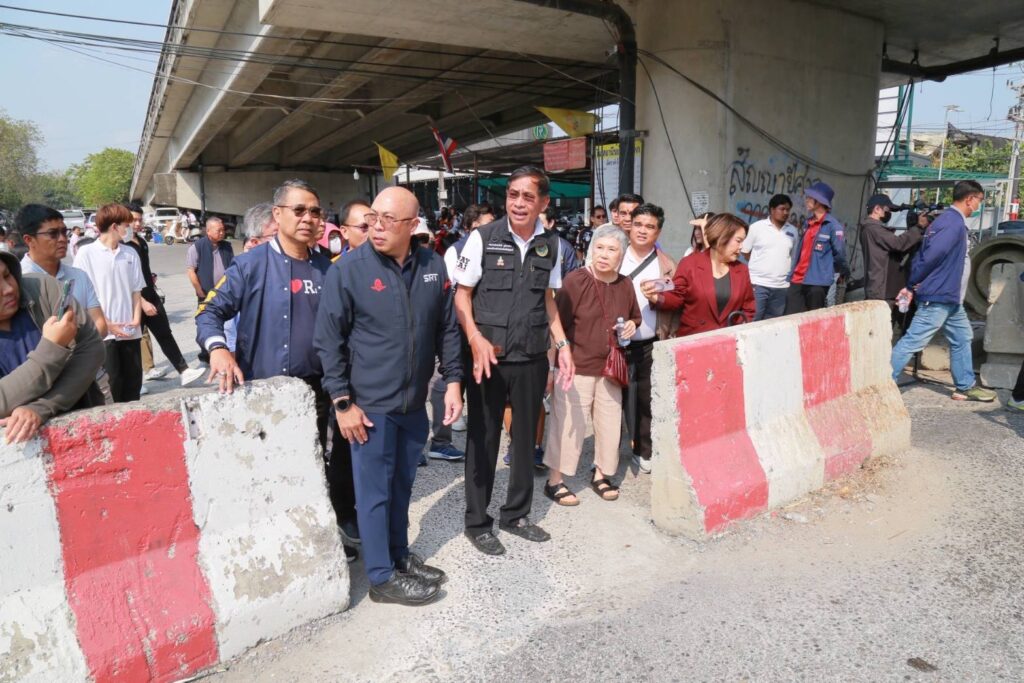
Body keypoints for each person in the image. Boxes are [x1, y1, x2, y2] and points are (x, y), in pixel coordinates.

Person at [195, 179, 360, 562]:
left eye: (315, 211)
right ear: (278, 214)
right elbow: (209, 311)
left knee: (314, 467)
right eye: (299, 210)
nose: (308, 218)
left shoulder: (328, 269)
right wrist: (218, 349)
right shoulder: (249, 265)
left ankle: (320, 542)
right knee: (266, 475)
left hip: (316, 392)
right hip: (262, 394)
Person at [315, 186, 462, 606]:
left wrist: (453, 380)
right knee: (374, 493)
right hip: (370, 407)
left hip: (413, 403)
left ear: (412, 226)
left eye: (388, 220)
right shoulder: (350, 270)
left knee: (401, 487)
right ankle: (381, 577)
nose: (376, 227)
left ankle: (398, 555)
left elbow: (447, 328)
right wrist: (343, 402)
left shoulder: (432, 265)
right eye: (372, 218)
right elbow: (328, 341)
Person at [453, 165, 574, 556]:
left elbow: (548, 300)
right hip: (488, 357)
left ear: (543, 202)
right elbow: (461, 296)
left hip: (531, 356)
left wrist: (562, 346)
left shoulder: (552, 244)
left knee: (525, 440)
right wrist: (475, 339)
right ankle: (477, 522)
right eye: (513, 195)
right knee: (484, 439)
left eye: (527, 196)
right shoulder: (482, 238)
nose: (518, 203)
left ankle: (516, 514)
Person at [543, 225, 640, 505]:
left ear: (622, 254)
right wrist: (552, 366)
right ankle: (555, 481)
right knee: (567, 424)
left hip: (611, 368)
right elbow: (556, 323)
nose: (604, 254)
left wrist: (632, 325)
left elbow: (634, 316)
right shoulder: (575, 280)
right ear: (591, 249)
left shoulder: (625, 284)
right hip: (576, 365)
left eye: (612, 249)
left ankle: (601, 474)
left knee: (609, 425)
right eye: (599, 247)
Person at [890, 180, 996, 402]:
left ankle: (965, 386)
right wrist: (911, 283)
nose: (978, 205)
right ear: (969, 199)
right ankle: (881, 383)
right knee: (913, 341)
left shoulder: (950, 221)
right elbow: (931, 256)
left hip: (950, 298)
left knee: (962, 337)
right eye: (979, 200)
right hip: (939, 296)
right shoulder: (951, 223)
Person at [0, 250, 105, 443]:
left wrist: (42, 407)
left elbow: (92, 348)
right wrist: (52, 347)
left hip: (86, 427)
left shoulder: (43, 288)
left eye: (7, 275)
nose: (8, 289)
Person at [619, 203, 676, 474]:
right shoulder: (615, 256)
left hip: (651, 343)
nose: (643, 231)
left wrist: (658, 299)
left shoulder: (667, 266)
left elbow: (676, 301)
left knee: (646, 399)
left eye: (650, 227)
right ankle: (609, 452)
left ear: (658, 232)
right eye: (638, 224)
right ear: (629, 226)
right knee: (613, 400)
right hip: (615, 344)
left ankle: (644, 450)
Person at [123, 204, 205, 387]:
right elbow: (124, 279)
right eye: (133, 220)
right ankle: (135, 385)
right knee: (133, 342)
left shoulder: (141, 242)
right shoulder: (121, 246)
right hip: (134, 300)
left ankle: (184, 371)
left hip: (151, 294)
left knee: (165, 333)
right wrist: (142, 302)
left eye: (139, 220)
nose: (137, 223)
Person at [73, 204, 145, 403]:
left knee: (133, 383)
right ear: (114, 226)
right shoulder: (86, 253)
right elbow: (82, 296)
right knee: (112, 385)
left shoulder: (130, 253)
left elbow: (136, 291)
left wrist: (136, 319)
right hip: (104, 334)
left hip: (130, 331)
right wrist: (108, 324)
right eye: (126, 225)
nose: (129, 229)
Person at [645, 213, 756, 337]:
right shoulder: (690, 264)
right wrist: (655, 297)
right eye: (738, 241)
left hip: (727, 341)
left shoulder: (742, 270)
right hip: (694, 340)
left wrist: (736, 331)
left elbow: (749, 309)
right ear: (722, 236)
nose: (741, 247)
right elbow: (676, 297)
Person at [15, 205, 108, 339]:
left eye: (64, 232)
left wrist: (78, 346)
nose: (63, 239)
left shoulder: (79, 276)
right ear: (29, 240)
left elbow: (100, 324)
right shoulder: (18, 281)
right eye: (53, 234)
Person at [786, 181, 849, 313]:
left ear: (820, 202)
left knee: (813, 319)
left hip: (817, 283)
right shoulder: (807, 223)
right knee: (790, 318)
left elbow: (840, 254)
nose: (806, 200)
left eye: (810, 198)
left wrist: (840, 272)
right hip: (797, 278)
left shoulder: (833, 226)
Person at [860, 194, 924, 310]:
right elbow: (899, 244)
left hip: (886, 287)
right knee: (883, 319)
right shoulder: (873, 228)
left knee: (898, 315)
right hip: (882, 290)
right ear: (877, 209)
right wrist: (919, 227)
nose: (889, 213)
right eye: (887, 210)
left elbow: (895, 249)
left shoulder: (872, 229)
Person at [742, 194, 799, 320]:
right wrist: (759, 263)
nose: (786, 213)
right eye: (782, 209)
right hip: (758, 284)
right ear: (772, 210)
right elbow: (745, 250)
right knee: (754, 318)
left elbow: (793, 256)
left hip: (781, 287)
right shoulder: (757, 227)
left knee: (773, 322)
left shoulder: (793, 231)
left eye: (788, 210)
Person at [187, 217, 234, 364]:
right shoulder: (197, 247)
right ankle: (206, 355)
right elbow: (191, 271)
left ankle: (227, 351)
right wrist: (199, 291)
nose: (222, 233)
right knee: (206, 323)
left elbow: (232, 268)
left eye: (223, 230)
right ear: (208, 231)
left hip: (225, 293)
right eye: (218, 230)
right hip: (206, 294)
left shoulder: (227, 246)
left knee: (228, 324)